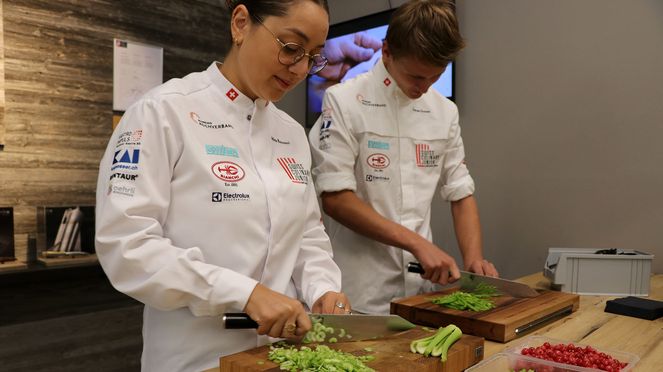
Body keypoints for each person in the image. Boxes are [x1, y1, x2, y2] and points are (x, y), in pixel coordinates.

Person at [95, 1, 350, 371]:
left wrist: (322, 288)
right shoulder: (163, 113)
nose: (300, 70)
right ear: (241, 23)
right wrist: (244, 293)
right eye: (291, 48)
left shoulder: (292, 134)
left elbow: (307, 236)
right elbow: (127, 246)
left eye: (314, 57)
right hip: (195, 360)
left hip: (283, 357)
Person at [308, 0, 498, 315]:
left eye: (435, 77)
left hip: (422, 293)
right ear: (386, 52)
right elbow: (335, 198)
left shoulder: (445, 112)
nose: (423, 88)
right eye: (415, 77)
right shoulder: (342, 101)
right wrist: (417, 243)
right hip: (360, 293)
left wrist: (474, 260)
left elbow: (460, 191)